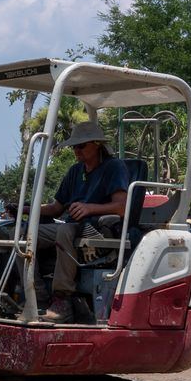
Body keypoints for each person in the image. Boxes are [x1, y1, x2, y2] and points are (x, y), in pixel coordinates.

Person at [37, 121, 131, 322]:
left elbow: (122, 206)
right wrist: (28, 209)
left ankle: (62, 300)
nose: (76, 151)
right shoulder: (75, 171)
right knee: (23, 233)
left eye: (81, 146)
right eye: (74, 146)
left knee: (65, 232)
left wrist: (90, 208)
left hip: (99, 229)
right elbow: (56, 207)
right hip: (72, 227)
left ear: (97, 144)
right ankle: (36, 295)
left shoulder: (114, 167)